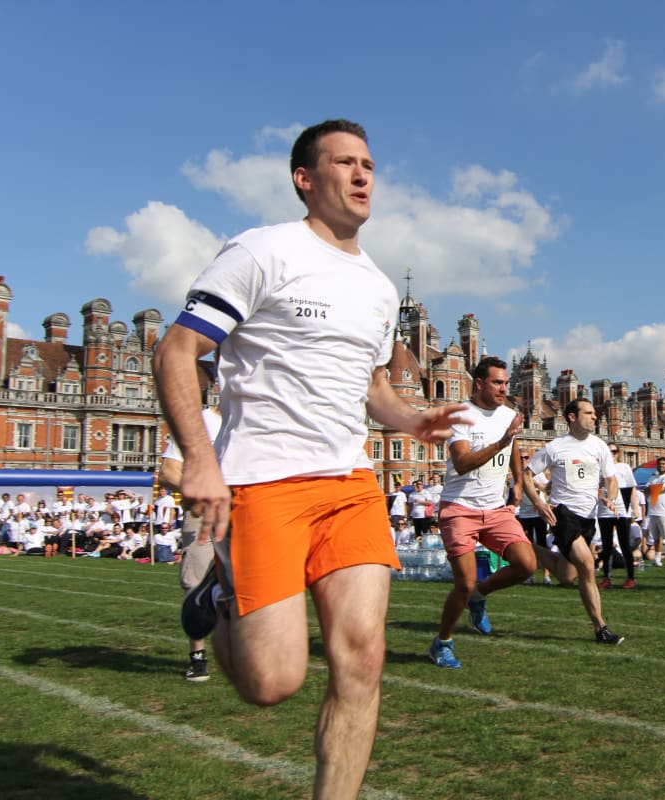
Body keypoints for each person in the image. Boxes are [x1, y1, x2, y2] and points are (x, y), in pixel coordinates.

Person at [152, 119, 468, 800]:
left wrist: (414, 419)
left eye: (370, 165)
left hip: (350, 485)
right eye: (345, 163)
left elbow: (371, 384)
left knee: (362, 659)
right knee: (273, 682)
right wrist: (200, 461)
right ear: (305, 178)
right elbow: (177, 350)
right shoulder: (261, 251)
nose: (362, 176)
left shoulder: (379, 288)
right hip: (263, 482)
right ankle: (216, 593)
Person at [430, 356, 535, 669]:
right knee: (463, 582)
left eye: (505, 382)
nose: (504, 388)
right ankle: (442, 642)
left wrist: (517, 480)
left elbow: (513, 447)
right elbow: (462, 464)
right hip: (459, 508)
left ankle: (479, 596)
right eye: (497, 382)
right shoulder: (462, 415)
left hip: (495, 508)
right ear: (479, 383)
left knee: (526, 564)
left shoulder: (508, 415)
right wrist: (502, 440)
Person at [523, 399, 625, 645]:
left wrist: (609, 499)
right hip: (563, 513)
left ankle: (528, 548)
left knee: (567, 576)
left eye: (594, 414)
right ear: (571, 417)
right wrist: (538, 502)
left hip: (589, 517)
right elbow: (527, 474)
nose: (594, 417)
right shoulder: (555, 447)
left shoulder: (600, 447)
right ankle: (601, 628)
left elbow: (611, 480)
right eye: (588, 413)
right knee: (588, 565)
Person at [160, 404, 223, 683]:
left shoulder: (257, 423)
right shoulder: (197, 421)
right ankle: (197, 657)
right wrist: (198, 491)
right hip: (203, 513)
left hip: (248, 512)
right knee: (195, 581)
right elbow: (169, 471)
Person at [597, 442, 639, 589]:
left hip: (622, 509)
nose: (612, 454)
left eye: (614, 451)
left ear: (618, 453)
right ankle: (607, 577)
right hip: (604, 511)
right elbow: (595, 488)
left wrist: (635, 508)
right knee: (607, 545)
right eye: (609, 451)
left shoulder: (624, 468)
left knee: (625, 544)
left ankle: (630, 578)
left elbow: (631, 488)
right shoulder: (599, 468)